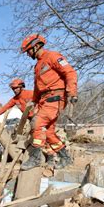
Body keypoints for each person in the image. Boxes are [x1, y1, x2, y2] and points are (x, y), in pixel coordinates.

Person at [19, 34, 78, 170]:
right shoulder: (38, 66)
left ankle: (35, 158)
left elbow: (70, 73)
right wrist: (34, 101)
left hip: (55, 98)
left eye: (28, 50)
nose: (27, 54)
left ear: (36, 46)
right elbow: (37, 87)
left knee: (37, 124)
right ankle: (65, 157)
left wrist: (71, 92)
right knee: (49, 133)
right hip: (44, 100)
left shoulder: (52, 56)